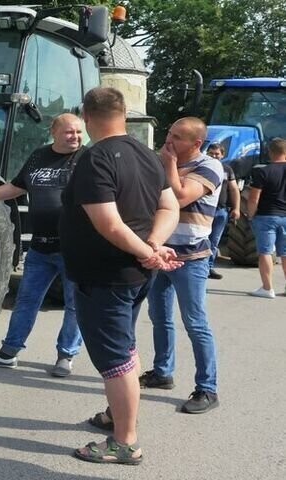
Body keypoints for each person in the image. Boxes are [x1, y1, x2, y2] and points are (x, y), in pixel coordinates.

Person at [60, 87, 181, 465]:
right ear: (124, 113)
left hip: (106, 276)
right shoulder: (146, 154)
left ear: (87, 115)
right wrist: (154, 245)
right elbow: (169, 205)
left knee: (115, 357)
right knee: (125, 346)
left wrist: (150, 251)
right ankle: (117, 415)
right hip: (133, 272)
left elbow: (109, 224)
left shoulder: (95, 159)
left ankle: (125, 441)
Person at [0, 113, 86, 377]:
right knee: (26, 301)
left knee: (74, 305)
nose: (76, 137)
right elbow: (16, 188)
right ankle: (8, 353)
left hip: (73, 249)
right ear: (54, 132)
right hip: (40, 249)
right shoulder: (38, 156)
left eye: (79, 132)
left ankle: (66, 356)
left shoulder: (87, 158)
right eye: (70, 132)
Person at [142, 117, 223, 415]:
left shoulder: (209, 167)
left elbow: (179, 197)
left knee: (195, 322)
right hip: (162, 253)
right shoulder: (166, 161)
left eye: (177, 136)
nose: (169, 140)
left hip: (191, 258)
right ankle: (162, 372)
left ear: (196, 143)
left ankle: (207, 388)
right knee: (159, 316)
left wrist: (169, 163)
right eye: (169, 133)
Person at [247, 138, 286, 298]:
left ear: (270, 152)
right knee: (285, 253)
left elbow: (253, 198)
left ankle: (267, 288)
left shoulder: (263, 171)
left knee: (265, 251)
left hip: (266, 215)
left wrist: (250, 215)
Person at [206, 143, 240, 279]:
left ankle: (208, 268)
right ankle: (198, 267)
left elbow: (233, 189)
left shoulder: (227, 169)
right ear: (206, 153)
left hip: (220, 211)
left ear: (222, 155)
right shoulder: (202, 167)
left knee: (214, 241)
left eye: (217, 154)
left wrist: (237, 208)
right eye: (211, 153)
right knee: (201, 239)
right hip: (204, 211)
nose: (214, 156)